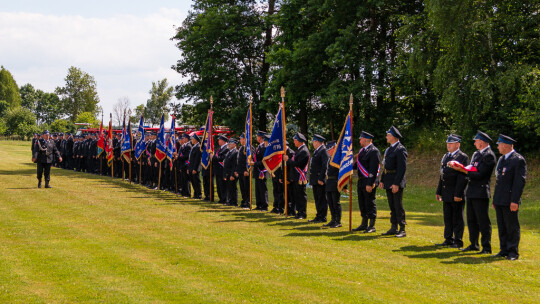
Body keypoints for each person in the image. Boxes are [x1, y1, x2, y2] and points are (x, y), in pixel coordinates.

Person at [450, 130, 496, 254]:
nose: (474, 143)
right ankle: (473, 244)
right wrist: (463, 168)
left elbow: (481, 174)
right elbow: (472, 168)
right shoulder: (476, 154)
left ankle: (486, 247)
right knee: (471, 220)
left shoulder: (489, 155)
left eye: (476, 141)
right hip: (471, 190)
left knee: (483, 220)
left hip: (480, 192)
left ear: (481, 142)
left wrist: (463, 170)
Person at [492, 134, 526, 260]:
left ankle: (513, 252)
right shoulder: (502, 159)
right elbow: (499, 181)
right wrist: (495, 199)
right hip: (500, 199)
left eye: (499, 144)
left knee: (511, 226)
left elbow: (519, 182)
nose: (498, 146)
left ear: (505, 145)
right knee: (502, 226)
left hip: (510, 199)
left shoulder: (518, 160)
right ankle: (504, 249)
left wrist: (514, 200)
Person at [435, 134, 469, 248]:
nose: (448, 145)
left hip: (456, 192)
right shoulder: (446, 156)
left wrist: (458, 193)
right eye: (448, 143)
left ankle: (458, 240)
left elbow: (463, 177)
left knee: (457, 217)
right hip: (446, 191)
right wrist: (439, 191)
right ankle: (448, 238)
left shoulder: (462, 157)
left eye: (451, 143)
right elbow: (442, 175)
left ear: (458, 144)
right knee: (448, 217)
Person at [380, 126, 408, 238]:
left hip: (396, 181)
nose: (386, 136)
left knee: (398, 205)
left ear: (394, 137)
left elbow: (402, 168)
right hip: (388, 179)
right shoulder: (389, 149)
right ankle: (393, 226)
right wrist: (382, 180)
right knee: (392, 205)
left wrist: (396, 183)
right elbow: (385, 166)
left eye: (388, 135)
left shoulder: (400, 149)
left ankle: (402, 228)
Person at [353, 131, 381, 233]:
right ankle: (364, 224)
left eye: (361, 139)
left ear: (365, 139)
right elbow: (359, 165)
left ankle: (371, 225)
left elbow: (373, 169)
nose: (359, 140)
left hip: (368, 181)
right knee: (362, 203)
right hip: (361, 181)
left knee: (369, 202)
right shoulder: (362, 151)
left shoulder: (374, 151)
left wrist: (370, 183)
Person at [284, 133, 310, 220]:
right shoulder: (299, 150)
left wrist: (288, 160)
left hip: (300, 177)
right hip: (296, 177)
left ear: (299, 141)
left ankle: (302, 213)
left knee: (301, 196)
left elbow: (298, 164)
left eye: (295, 140)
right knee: (297, 195)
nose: (294, 142)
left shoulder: (304, 151)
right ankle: (299, 212)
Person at [309, 134, 328, 223]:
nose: (313, 143)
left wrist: (321, 178)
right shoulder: (317, 151)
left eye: (314, 141)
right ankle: (318, 215)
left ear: (317, 142)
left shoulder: (323, 150)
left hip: (319, 179)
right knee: (317, 198)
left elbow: (325, 165)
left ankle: (322, 216)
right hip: (315, 179)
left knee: (321, 198)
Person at [323, 141, 342, 228]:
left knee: (335, 202)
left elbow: (341, 172)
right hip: (329, 182)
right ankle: (333, 219)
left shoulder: (337, 159)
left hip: (335, 182)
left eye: (329, 149)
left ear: (334, 148)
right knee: (330, 202)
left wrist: (343, 185)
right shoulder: (330, 158)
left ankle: (338, 221)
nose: (328, 151)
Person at [251, 131, 269, 211]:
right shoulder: (259, 146)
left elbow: (263, 160)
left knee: (262, 189)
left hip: (262, 170)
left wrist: (254, 164)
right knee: (258, 189)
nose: (256, 137)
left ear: (260, 137)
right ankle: (259, 205)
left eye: (257, 136)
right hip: (257, 171)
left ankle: (264, 205)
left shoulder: (264, 147)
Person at [213, 135, 230, 204]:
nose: (218, 141)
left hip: (222, 170)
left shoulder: (227, 148)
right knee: (219, 185)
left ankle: (224, 199)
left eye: (219, 140)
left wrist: (214, 157)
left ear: (223, 141)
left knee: (223, 185)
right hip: (217, 170)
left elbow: (223, 158)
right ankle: (221, 198)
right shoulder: (219, 148)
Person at [236, 133, 251, 209]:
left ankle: (248, 202)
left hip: (245, 172)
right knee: (242, 187)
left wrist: (247, 170)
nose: (240, 140)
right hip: (241, 171)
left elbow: (249, 160)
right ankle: (244, 201)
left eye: (241, 139)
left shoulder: (249, 148)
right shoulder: (242, 148)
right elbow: (239, 161)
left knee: (246, 187)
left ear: (245, 139)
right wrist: (237, 170)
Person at [223, 138, 239, 206]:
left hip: (231, 173)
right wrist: (224, 174)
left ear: (235, 144)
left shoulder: (235, 152)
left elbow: (235, 165)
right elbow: (225, 164)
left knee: (233, 188)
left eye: (231, 143)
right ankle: (229, 200)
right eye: (228, 143)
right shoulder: (229, 152)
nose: (229, 144)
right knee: (229, 188)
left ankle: (234, 202)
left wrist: (232, 175)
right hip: (227, 173)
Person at [188, 133, 202, 199]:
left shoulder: (198, 147)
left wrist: (195, 168)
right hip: (191, 167)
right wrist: (189, 168)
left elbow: (197, 159)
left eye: (192, 139)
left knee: (196, 182)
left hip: (195, 168)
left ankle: (199, 194)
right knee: (193, 182)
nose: (191, 140)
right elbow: (191, 159)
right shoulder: (194, 147)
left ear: (196, 140)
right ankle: (195, 194)